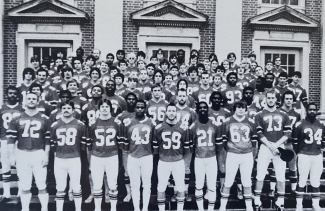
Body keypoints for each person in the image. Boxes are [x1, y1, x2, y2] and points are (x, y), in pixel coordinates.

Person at [7, 92, 51, 211]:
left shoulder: (45, 119)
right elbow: (11, 140)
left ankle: (44, 208)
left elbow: (47, 140)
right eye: (29, 99)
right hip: (22, 153)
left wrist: (46, 155)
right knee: (25, 185)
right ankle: (25, 209)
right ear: (25, 101)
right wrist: (11, 156)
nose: (31, 100)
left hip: (38, 153)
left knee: (41, 184)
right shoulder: (17, 119)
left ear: (38, 101)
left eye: (34, 99)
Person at [254, 90, 291, 211]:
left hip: (279, 146)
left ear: (276, 100)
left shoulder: (283, 114)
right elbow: (259, 133)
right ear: (265, 99)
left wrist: (277, 145)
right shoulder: (259, 114)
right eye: (268, 98)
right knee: (260, 174)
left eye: (272, 98)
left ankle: (280, 201)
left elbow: (287, 133)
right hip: (265, 146)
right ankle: (257, 200)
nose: (270, 100)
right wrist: (270, 146)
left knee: (280, 175)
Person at [219, 101, 257, 211]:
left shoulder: (251, 122)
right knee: (228, 181)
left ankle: (249, 207)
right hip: (232, 154)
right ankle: (222, 207)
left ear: (246, 109)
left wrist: (253, 156)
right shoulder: (227, 121)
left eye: (243, 107)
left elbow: (254, 142)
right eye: (239, 107)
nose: (241, 109)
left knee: (247, 181)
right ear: (234, 108)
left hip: (247, 154)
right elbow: (223, 142)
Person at [50, 101, 88, 211]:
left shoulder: (80, 125)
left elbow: (83, 144)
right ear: (61, 110)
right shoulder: (55, 125)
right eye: (64, 108)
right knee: (60, 187)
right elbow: (53, 144)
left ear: (73, 110)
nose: (66, 110)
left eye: (68, 108)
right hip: (60, 158)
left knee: (76, 186)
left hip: (74, 158)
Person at [153, 103, 190, 211]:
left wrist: (185, 162)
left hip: (178, 160)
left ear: (176, 113)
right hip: (163, 161)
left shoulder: (183, 127)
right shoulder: (159, 127)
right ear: (165, 112)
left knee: (180, 186)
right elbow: (156, 148)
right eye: (169, 111)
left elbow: (186, 149)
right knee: (161, 186)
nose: (171, 113)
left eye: (173, 111)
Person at [121, 100, 156, 211]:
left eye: (142, 107)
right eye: (138, 107)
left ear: (145, 109)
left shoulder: (151, 122)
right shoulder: (128, 122)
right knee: (134, 185)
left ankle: (144, 208)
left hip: (147, 156)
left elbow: (154, 141)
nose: (140, 109)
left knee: (147, 184)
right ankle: (136, 208)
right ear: (134, 108)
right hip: (133, 156)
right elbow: (125, 146)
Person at [88, 99, 122, 211]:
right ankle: (97, 208)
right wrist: (89, 161)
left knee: (113, 184)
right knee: (97, 185)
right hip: (96, 156)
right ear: (99, 108)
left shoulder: (116, 123)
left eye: (107, 106)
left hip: (112, 156)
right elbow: (89, 145)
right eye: (102, 106)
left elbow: (120, 144)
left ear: (110, 108)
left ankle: (113, 208)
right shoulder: (93, 123)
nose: (104, 108)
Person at [190, 101, 224, 211]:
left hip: (211, 158)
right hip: (199, 159)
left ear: (208, 109)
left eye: (205, 108)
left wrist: (220, 161)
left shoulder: (214, 125)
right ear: (197, 110)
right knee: (199, 185)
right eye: (201, 108)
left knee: (212, 187)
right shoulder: (193, 126)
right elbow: (191, 147)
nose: (203, 110)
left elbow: (219, 147)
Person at [268, 90, 301, 197]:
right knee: (276, 166)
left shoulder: (297, 114)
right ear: (282, 100)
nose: (288, 101)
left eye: (290, 99)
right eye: (286, 98)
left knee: (292, 166)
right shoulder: (278, 112)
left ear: (293, 100)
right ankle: (272, 189)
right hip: (279, 142)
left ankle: (293, 189)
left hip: (290, 143)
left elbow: (297, 130)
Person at [292, 103, 325, 211]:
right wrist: (300, 152)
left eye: (314, 110)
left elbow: (323, 141)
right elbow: (295, 141)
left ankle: (315, 204)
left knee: (315, 181)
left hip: (316, 155)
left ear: (316, 111)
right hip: (304, 154)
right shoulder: (299, 124)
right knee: (302, 180)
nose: (312, 111)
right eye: (310, 110)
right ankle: (299, 205)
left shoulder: (321, 124)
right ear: (306, 110)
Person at [0, 86, 24, 203]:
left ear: (17, 95)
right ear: (6, 94)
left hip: (18, 141)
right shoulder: (1, 109)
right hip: (4, 140)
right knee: (5, 166)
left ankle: (20, 193)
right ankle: (6, 194)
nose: (12, 95)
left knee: (20, 166)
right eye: (10, 93)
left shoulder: (22, 109)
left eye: (15, 93)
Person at [115, 93, 138, 203]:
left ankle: (136, 192)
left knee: (138, 172)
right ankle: (129, 192)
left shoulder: (140, 113)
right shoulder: (121, 115)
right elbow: (116, 130)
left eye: (133, 99)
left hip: (138, 147)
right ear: (126, 101)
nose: (131, 101)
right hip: (125, 147)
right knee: (127, 171)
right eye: (129, 99)